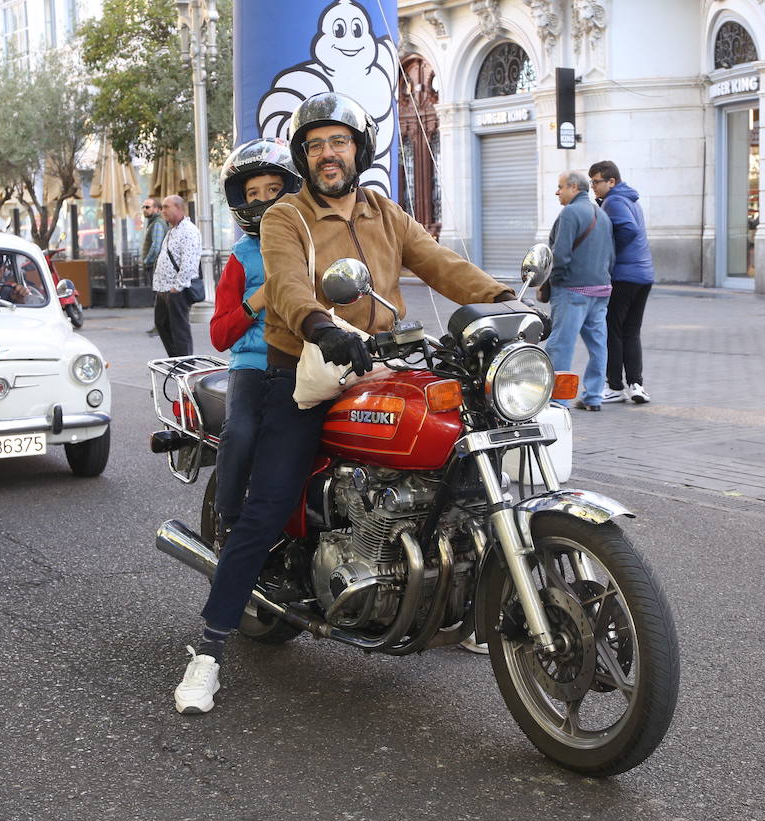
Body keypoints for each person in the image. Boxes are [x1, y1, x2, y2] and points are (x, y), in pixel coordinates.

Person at [172, 92, 514, 716]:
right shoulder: (287, 217)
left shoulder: (384, 212)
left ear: (359, 147)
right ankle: (209, 651)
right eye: (316, 145)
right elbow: (286, 280)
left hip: (378, 359)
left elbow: (439, 262)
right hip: (300, 369)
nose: (329, 155)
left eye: (339, 141)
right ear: (304, 157)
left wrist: (501, 299)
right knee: (265, 509)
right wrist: (319, 324)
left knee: (458, 453)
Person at [208, 138, 302, 545]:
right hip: (252, 365)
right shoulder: (241, 257)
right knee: (242, 431)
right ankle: (226, 519)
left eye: (272, 190)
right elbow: (218, 334)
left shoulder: (309, 246)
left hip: (306, 362)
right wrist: (255, 302)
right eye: (252, 193)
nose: (263, 199)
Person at [545, 170, 614, 413]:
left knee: (560, 344)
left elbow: (560, 255)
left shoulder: (571, 212)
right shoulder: (602, 214)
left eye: (560, 186)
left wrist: (555, 281)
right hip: (601, 289)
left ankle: (558, 399)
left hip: (573, 290)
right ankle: (594, 395)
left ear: (574, 188)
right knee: (598, 345)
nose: (557, 191)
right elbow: (611, 255)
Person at [590, 160, 655, 404]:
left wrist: (609, 252)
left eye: (596, 182)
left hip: (623, 276)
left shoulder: (615, 200)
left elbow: (627, 229)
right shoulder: (630, 199)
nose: (592, 187)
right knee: (631, 331)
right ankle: (637, 385)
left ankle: (615, 386)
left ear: (611, 181)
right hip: (643, 275)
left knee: (613, 330)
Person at [152, 195, 201, 358]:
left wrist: (177, 287)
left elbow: (189, 262)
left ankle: (185, 363)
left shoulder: (189, 231)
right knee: (161, 323)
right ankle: (176, 359)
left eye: (166, 207)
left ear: (179, 208)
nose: (162, 210)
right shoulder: (173, 230)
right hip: (163, 288)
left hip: (176, 289)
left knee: (179, 328)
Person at [142, 198, 168, 334]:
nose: (145, 210)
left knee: (159, 296)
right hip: (157, 264)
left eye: (148, 207)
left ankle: (160, 325)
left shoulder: (157, 224)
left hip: (156, 265)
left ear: (157, 209)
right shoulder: (153, 223)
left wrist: (147, 260)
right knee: (159, 295)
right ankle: (160, 324)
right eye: (144, 207)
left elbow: (156, 246)